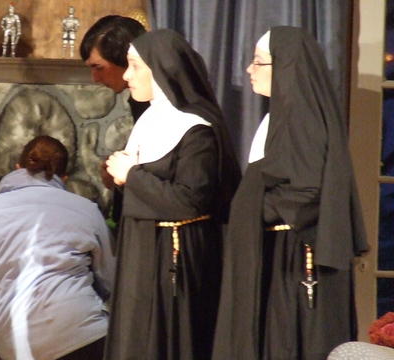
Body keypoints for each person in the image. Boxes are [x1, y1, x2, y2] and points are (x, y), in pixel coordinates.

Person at [212, 27, 369, 360]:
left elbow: (306, 194)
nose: (249, 69)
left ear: (285, 67)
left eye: (258, 62)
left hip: (295, 257)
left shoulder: (302, 118)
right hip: (277, 250)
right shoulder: (280, 117)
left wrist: (252, 206)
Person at [104, 29, 241, 360]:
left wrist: (131, 176)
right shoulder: (149, 120)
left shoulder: (196, 129)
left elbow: (189, 201)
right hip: (140, 250)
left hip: (175, 256)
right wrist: (121, 179)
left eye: (135, 66)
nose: (126, 76)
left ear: (162, 69)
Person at [0, 135, 115, 360]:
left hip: (13, 343)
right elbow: (110, 279)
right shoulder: (86, 210)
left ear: (18, 167)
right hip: (82, 331)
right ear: (64, 177)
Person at [80, 15, 148, 227]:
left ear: (128, 61)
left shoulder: (162, 106)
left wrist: (126, 175)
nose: (95, 78)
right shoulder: (139, 101)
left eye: (99, 67)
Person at [80, 15, 148, 120]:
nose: (95, 78)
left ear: (126, 58)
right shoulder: (140, 99)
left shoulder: (160, 101)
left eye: (99, 67)